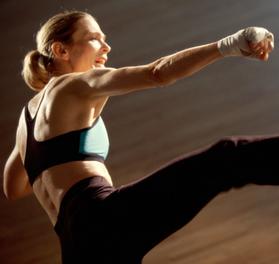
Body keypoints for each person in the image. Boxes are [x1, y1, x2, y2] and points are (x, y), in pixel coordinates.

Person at [3, 10, 276, 264]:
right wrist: (228, 44)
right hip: (101, 219)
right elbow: (156, 73)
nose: (106, 47)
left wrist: (59, 170)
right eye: (94, 39)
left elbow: (12, 187)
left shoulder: (25, 120)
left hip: (76, 248)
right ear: (61, 50)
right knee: (227, 157)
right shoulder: (76, 83)